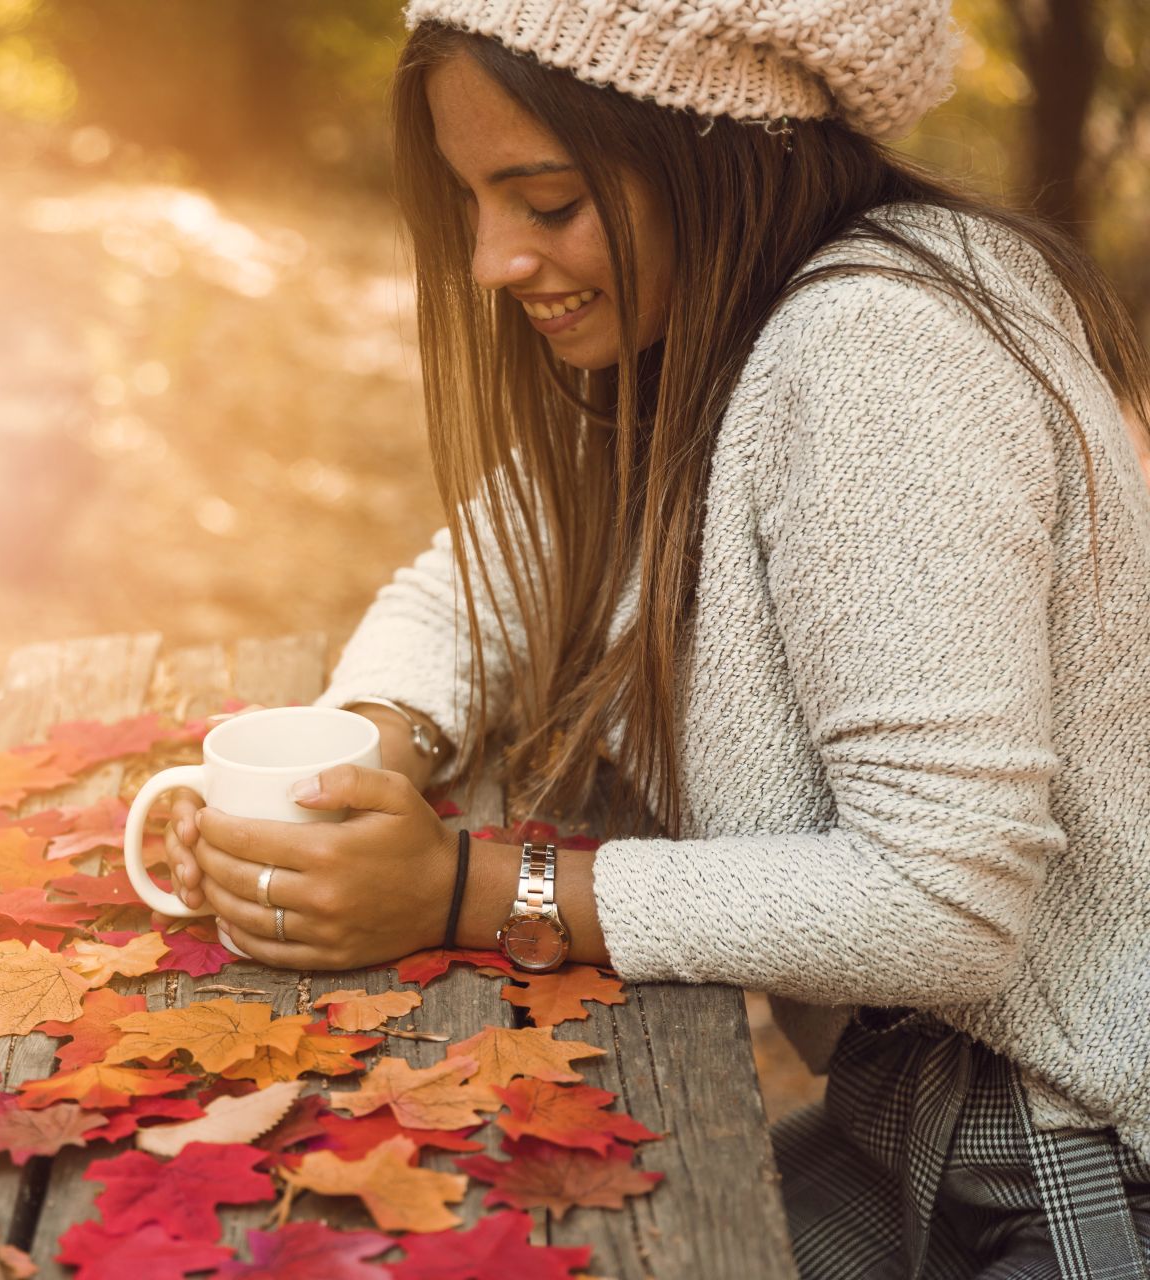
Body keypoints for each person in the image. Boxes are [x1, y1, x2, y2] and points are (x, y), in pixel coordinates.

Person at [159, 1, 1150, 1276]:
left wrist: (468, 888)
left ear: (719, 148)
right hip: (910, 1126)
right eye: (476, 204)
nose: (492, 264)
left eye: (547, 203)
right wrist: (347, 766)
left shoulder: (880, 351)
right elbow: (477, 586)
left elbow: (943, 897)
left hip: (1078, 1164)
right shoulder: (695, 339)